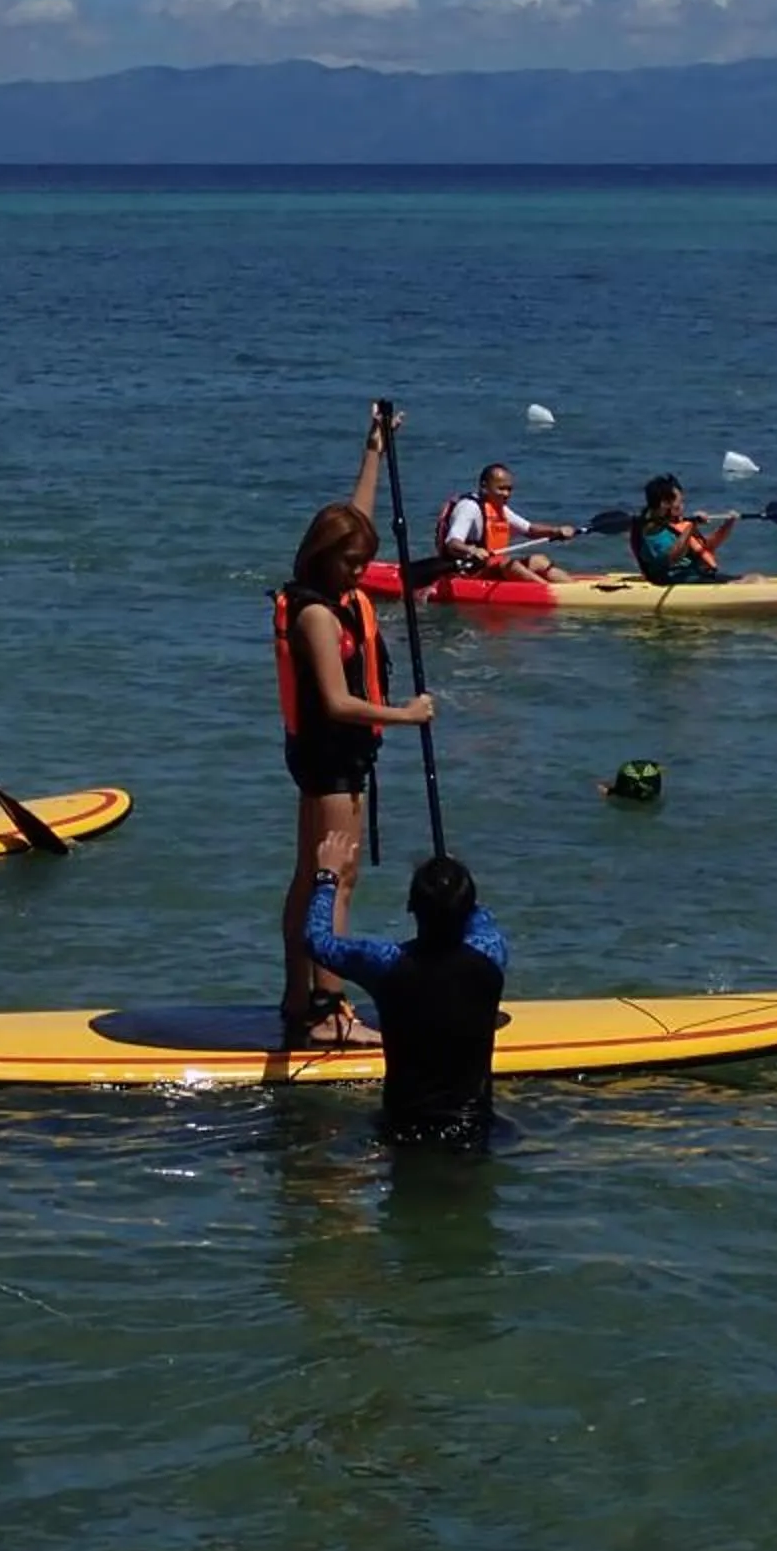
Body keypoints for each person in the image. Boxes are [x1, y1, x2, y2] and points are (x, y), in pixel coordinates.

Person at [277, 403, 439, 1048]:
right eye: (349, 562)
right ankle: (327, 1009)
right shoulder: (317, 614)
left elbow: (359, 517)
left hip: (338, 758)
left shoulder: (336, 589)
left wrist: (373, 448)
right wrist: (406, 715)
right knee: (333, 877)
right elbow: (338, 701)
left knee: (314, 874)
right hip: (329, 756)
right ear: (324, 558)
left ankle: (300, 995)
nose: (357, 572)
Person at [304, 827, 508, 1151]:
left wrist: (327, 876)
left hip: (403, 1130)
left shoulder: (386, 964)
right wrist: (454, 877)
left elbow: (318, 941)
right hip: (475, 1129)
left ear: (410, 906)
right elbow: (480, 916)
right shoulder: (492, 954)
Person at [434, 463, 578, 582]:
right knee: (510, 565)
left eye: (509, 489)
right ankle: (549, 590)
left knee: (539, 560)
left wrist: (557, 531)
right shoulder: (469, 507)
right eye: (501, 489)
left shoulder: (498, 508)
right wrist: (472, 550)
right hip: (466, 571)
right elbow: (452, 543)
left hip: (490, 567)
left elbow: (529, 530)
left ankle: (573, 589)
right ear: (484, 487)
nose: (506, 494)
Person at [629, 475, 735, 585]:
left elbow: (705, 548)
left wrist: (727, 525)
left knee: (750, 578)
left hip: (692, 575)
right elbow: (673, 557)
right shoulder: (651, 530)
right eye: (678, 505)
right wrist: (692, 525)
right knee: (743, 583)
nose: (682, 508)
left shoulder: (671, 525)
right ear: (664, 504)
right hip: (674, 579)